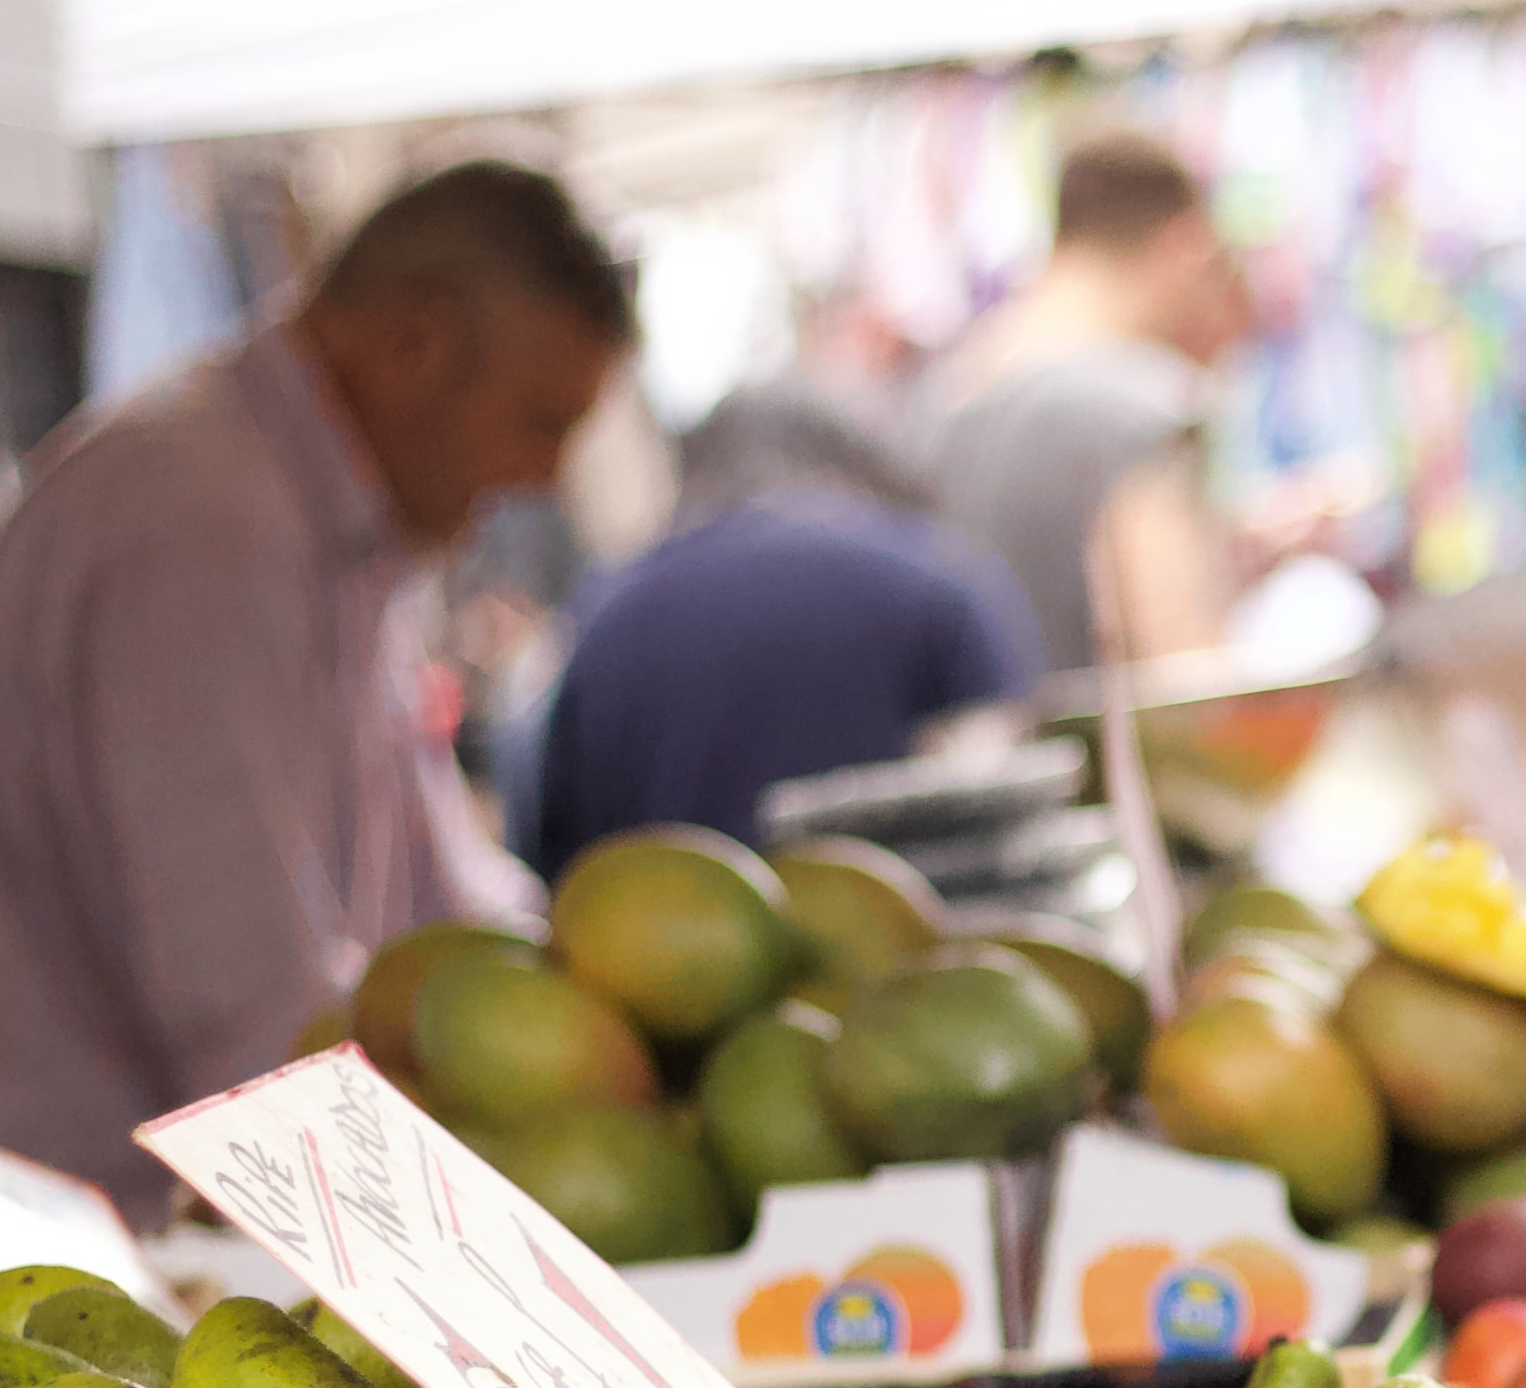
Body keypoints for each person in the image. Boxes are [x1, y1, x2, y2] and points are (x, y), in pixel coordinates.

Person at [0, 156, 631, 1214]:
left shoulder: (331, 531)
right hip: (108, 1257)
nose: (546, 479)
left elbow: (444, 913)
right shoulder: (197, 523)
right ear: (417, 344)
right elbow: (249, 1017)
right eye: (541, 421)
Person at [524, 384, 1041, 878]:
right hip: (887, 929)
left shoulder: (607, 613)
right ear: (849, 453)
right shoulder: (940, 579)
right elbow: (1010, 803)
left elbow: (557, 849)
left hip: (656, 934)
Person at [926, 130, 1254, 677]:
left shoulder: (941, 396)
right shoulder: (1146, 404)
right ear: (1184, 246)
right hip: (1104, 732)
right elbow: (1185, 669)